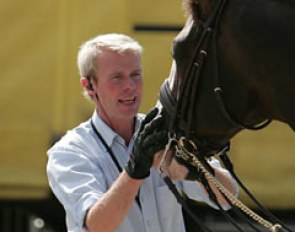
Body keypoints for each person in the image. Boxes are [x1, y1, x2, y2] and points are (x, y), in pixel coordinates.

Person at [46, 33, 238, 232]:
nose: (130, 86)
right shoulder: (69, 152)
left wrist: (196, 171)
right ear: (89, 85)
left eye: (135, 75)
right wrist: (134, 171)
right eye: (117, 77)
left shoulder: (164, 133)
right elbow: (97, 225)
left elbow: (228, 198)